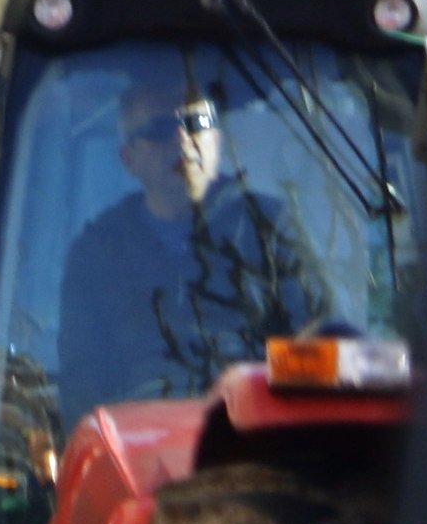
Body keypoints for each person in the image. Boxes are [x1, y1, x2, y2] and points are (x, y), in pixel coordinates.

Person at [54, 51, 332, 411]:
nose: (183, 141)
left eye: (197, 124)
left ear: (216, 139)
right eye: (159, 130)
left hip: (253, 442)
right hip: (135, 449)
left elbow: (316, 350)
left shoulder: (269, 228)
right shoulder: (98, 252)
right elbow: (82, 383)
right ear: (129, 159)